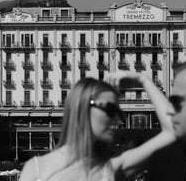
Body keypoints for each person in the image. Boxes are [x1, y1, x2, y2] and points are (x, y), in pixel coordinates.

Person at [19, 75, 175, 181]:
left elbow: (172, 129)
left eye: (119, 112)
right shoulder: (36, 169)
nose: (118, 119)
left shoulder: (110, 170)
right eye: (111, 110)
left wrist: (143, 80)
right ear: (83, 107)